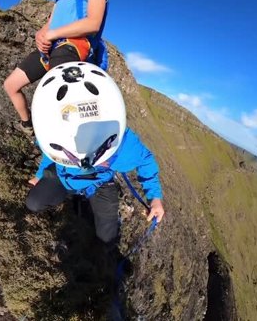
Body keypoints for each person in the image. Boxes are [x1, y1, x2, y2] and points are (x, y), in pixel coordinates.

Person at [26, 62, 165, 245]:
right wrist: (39, 175)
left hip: (99, 183)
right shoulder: (56, 130)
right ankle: (77, 198)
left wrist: (155, 197)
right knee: (34, 203)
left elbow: (146, 160)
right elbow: (50, 152)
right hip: (65, 176)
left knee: (107, 240)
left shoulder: (122, 143)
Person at [3, 0, 110, 136]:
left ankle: (72, 136)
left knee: (56, 91)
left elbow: (93, 23)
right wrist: (41, 35)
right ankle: (28, 127)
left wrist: (52, 34)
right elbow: (50, 22)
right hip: (52, 46)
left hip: (77, 44)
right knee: (11, 85)